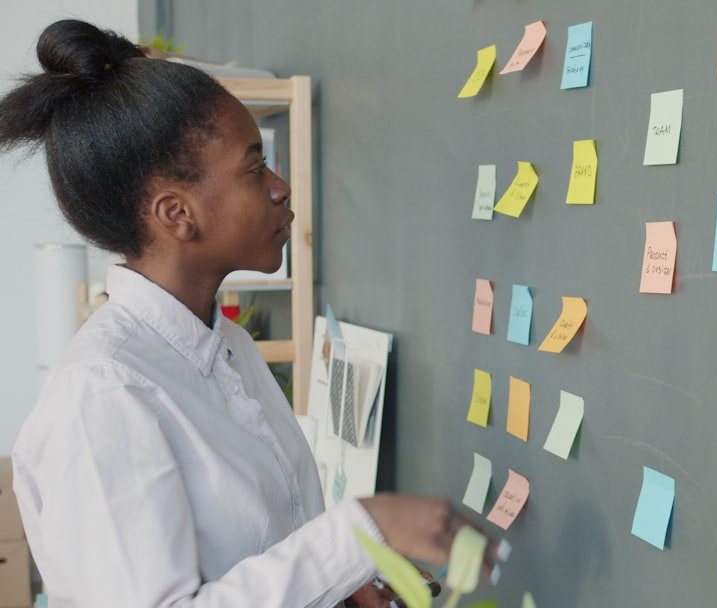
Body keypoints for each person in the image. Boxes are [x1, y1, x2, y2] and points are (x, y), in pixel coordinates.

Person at [0, 19, 506, 607]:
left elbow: (261, 560)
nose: (281, 187)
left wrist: (341, 587)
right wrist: (362, 531)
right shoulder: (103, 394)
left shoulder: (230, 349)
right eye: (254, 167)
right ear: (177, 214)